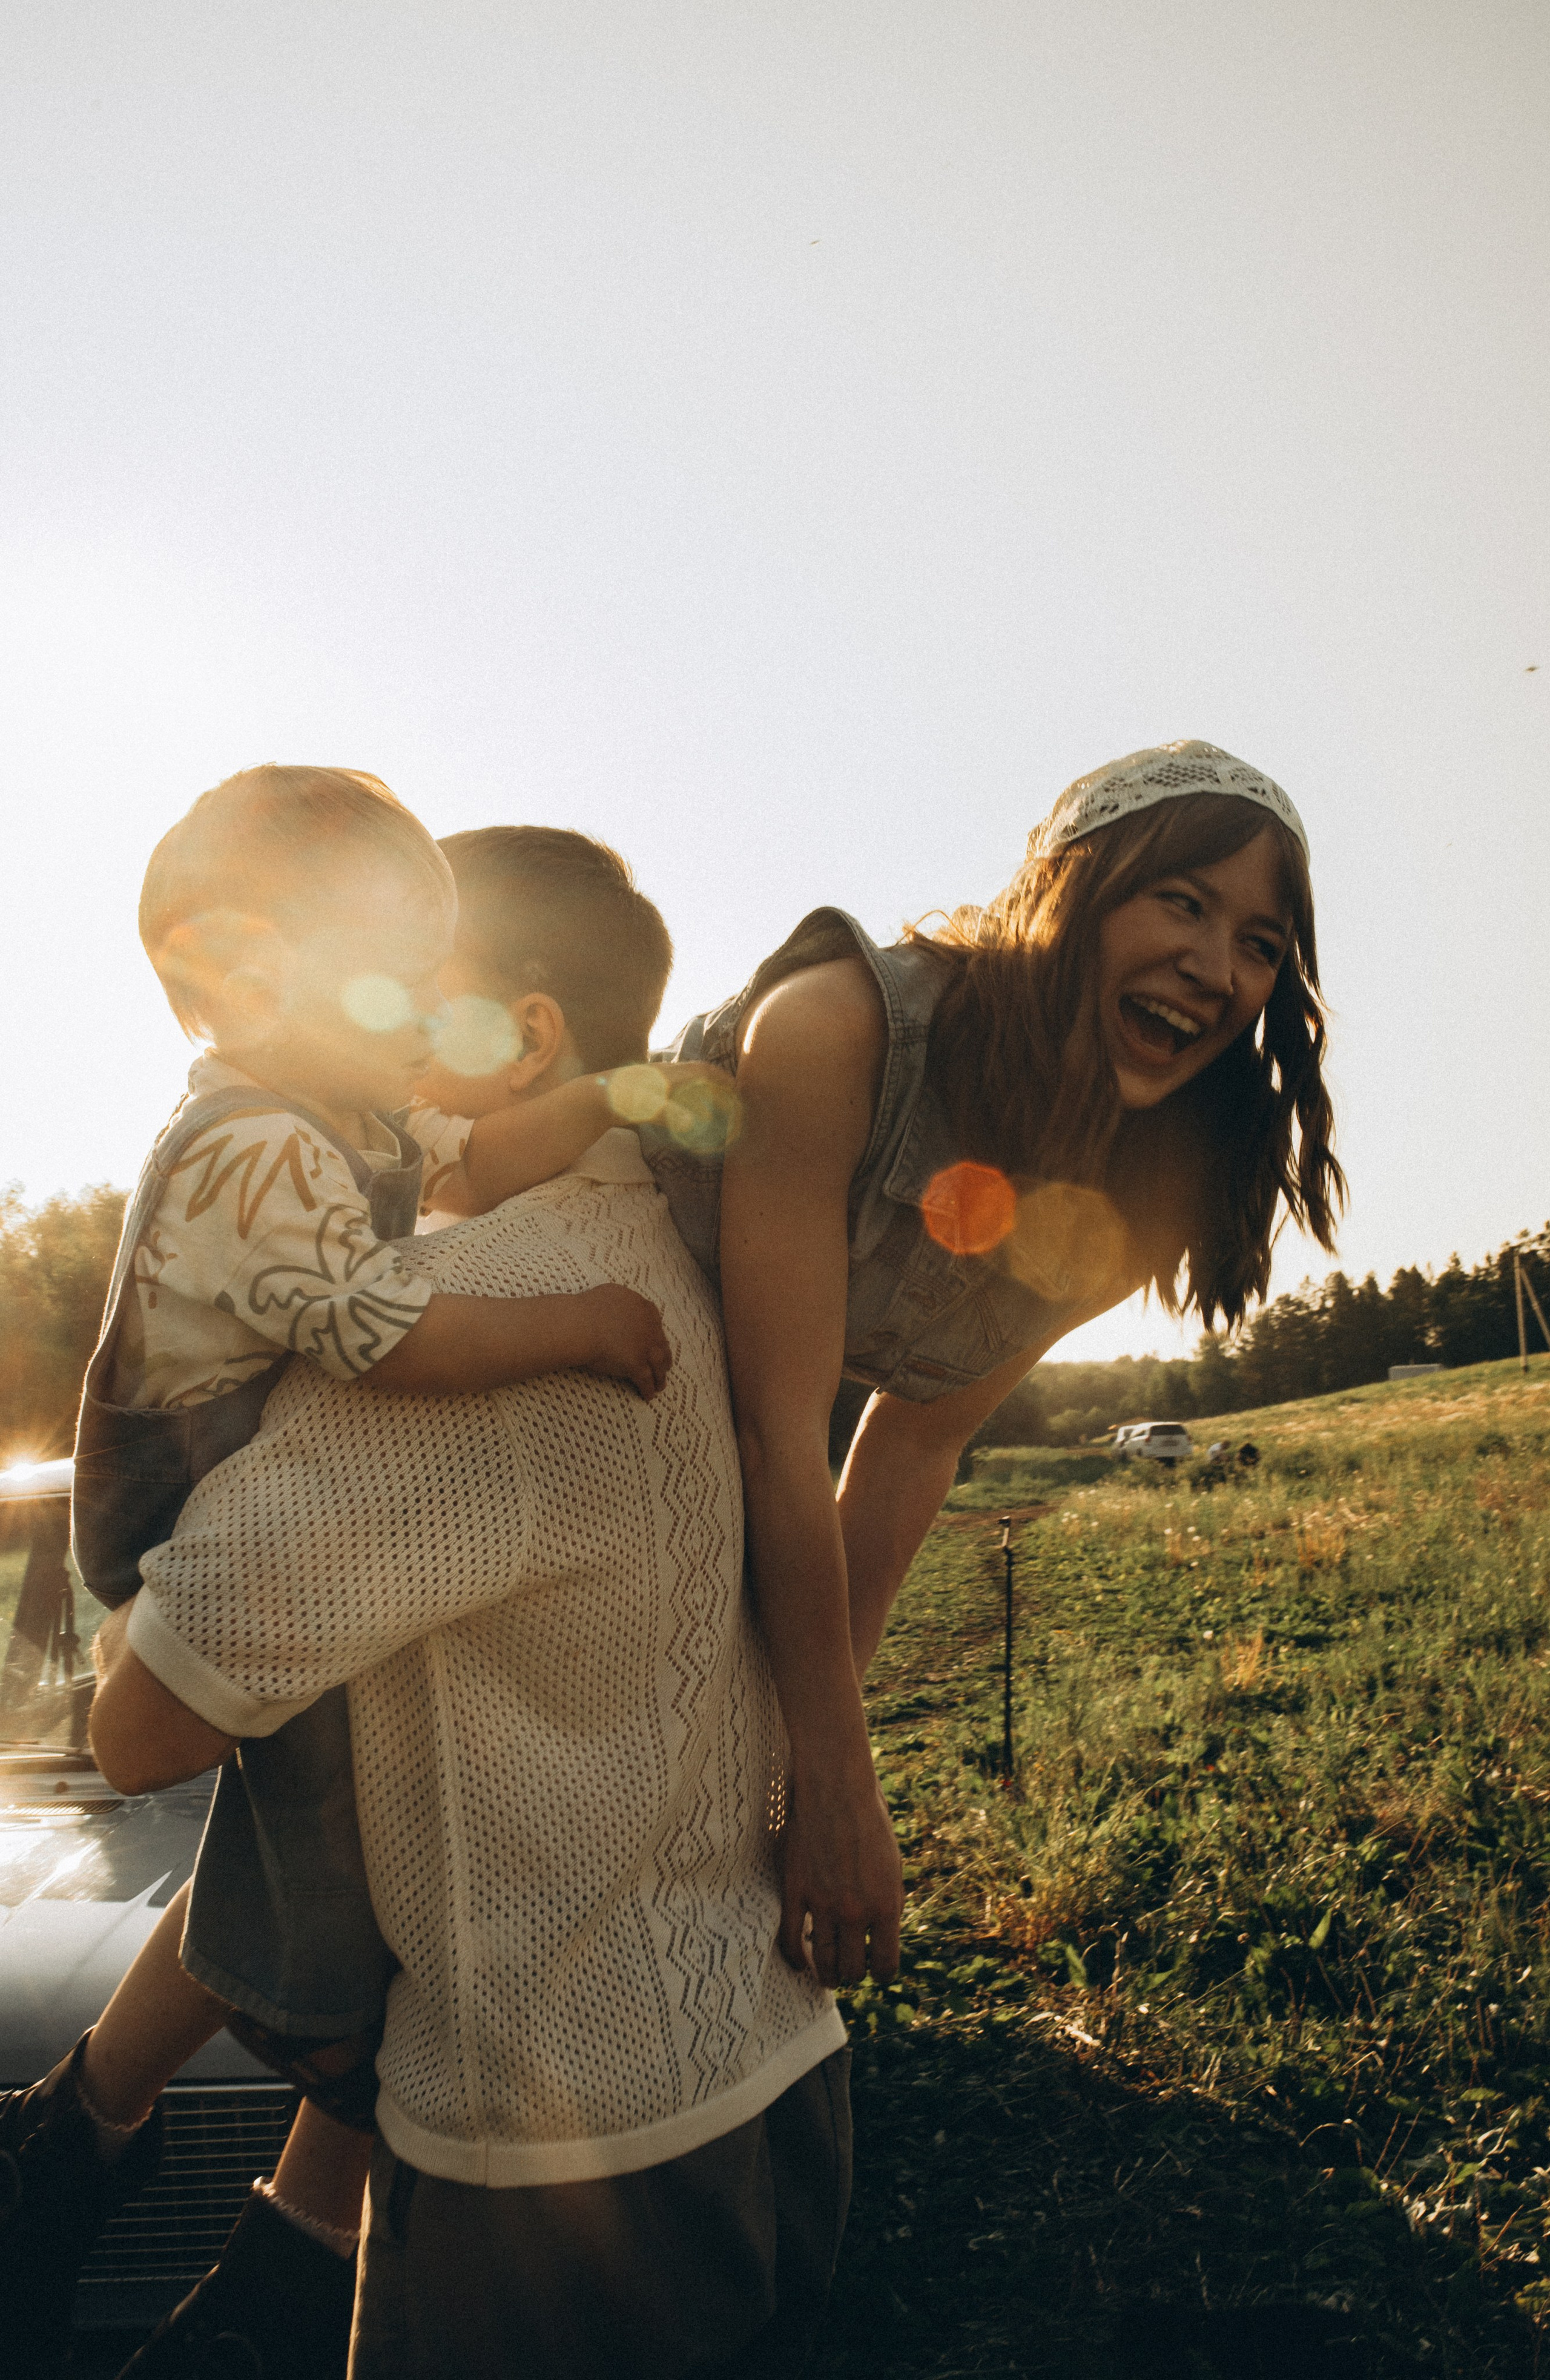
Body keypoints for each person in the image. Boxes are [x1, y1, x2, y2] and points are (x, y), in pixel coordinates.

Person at [0, 777, 714, 2378]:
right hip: (183, 1484)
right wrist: (584, 1316)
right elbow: (392, 1327)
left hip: (255, 1483)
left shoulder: (376, 1119)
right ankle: (247, 2130)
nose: (399, 1005)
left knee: (337, 1824)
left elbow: (507, 1126)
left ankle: (138, 2164)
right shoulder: (266, 1152)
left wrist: (655, 1094)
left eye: (420, 967)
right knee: (328, 1874)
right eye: (385, 965)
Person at [86, 912, 850, 2380]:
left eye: (399, 991)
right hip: (774, 2074)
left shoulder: (479, 1321)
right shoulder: (715, 1281)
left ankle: (123, 2114)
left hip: (555, 2178)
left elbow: (140, 1736)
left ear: (525, 1036)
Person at [645, 740, 1343, 1991]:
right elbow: (775, 1430)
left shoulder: (1145, 1179)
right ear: (1069, 893)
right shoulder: (838, 1028)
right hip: (541, 1356)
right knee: (465, 1839)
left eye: (1258, 939)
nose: (1214, 965)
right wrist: (829, 1773)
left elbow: (914, 1438)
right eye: (1178, 901)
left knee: (661, 1821)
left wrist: (805, 1759)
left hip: (700, 1428)